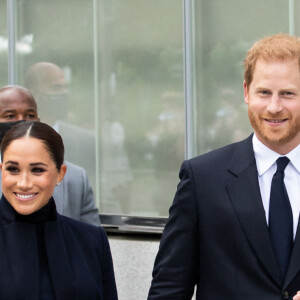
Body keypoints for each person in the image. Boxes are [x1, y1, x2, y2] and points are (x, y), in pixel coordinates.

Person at [148, 33, 300, 300]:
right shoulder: (202, 179)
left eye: (287, 94)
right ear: (246, 92)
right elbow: (169, 288)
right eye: (264, 92)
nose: (274, 107)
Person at [0, 121, 118, 299]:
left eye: (37, 170)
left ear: (60, 174)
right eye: (13, 169)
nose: (24, 183)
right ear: (2, 171)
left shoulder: (91, 240)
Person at [0, 85, 100, 226]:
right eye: (10, 116)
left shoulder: (76, 178)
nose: (22, 121)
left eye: (30, 115)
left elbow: (89, 241)